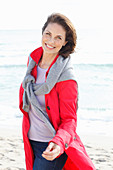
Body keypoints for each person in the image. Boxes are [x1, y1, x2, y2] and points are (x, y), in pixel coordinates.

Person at [19, 13, 96, 170]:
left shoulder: (66, 77)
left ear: (65, 42)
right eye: (48, 34)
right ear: (42, 33)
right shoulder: (32, 62)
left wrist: (58, 143)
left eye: (58, 38)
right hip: (31, 141)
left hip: (52, 146)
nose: (51, 41)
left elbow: (70, 119)